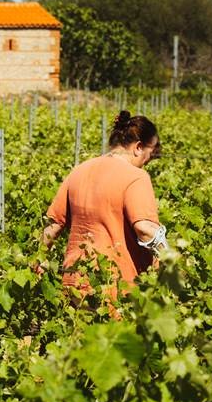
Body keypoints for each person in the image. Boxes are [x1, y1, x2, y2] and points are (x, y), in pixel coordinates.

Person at [42, 111, 167, 295]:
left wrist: (37, 263)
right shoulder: (136, 177)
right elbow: (144, 228)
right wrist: (169, 259)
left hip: (75, 283)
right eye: (152, 152)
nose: (149, 160)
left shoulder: (79, 170)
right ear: (139, 147)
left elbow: (53, 226)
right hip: (114, 286)